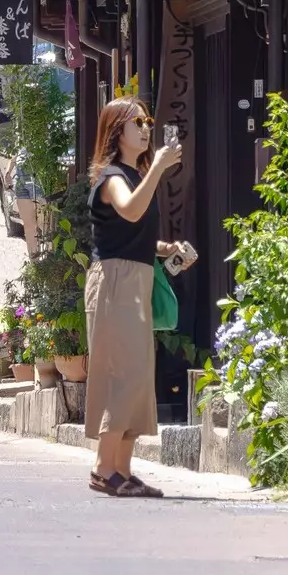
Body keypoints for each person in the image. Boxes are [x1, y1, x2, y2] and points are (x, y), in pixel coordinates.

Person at [82, 98, 192, 498]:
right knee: (122, 373)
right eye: (137, 123)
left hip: (135, 278)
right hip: (114, 282)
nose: (146, 129)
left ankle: (121, 469)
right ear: (117, 132)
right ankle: (102, 467)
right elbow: (129, 211)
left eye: (147, 122)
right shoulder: (113, 176)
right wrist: (160, 168)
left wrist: (166, 248)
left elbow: (133, 232)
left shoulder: (134, 173)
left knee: (138, 374)